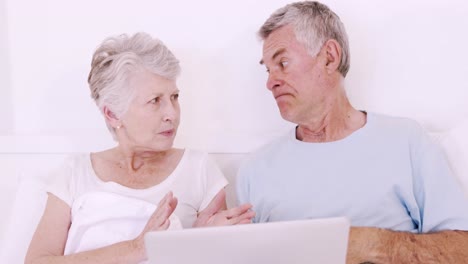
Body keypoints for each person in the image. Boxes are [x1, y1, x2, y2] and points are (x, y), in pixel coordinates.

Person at [236, 1, 468, 263]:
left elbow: (463, 249)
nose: (270, 82)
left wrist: (371, 245)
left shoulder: (407, 141)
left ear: (330, 57)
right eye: (268, 69)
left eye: (283, 62)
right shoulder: (254, 170)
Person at [25, 32, 254, 264]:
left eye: (174, 97)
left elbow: (223, 255)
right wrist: (138, 247)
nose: (172, 114)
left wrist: (200, 241)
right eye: (155, 100)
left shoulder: (199, 169)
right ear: (113, 114)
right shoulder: (75, 172)